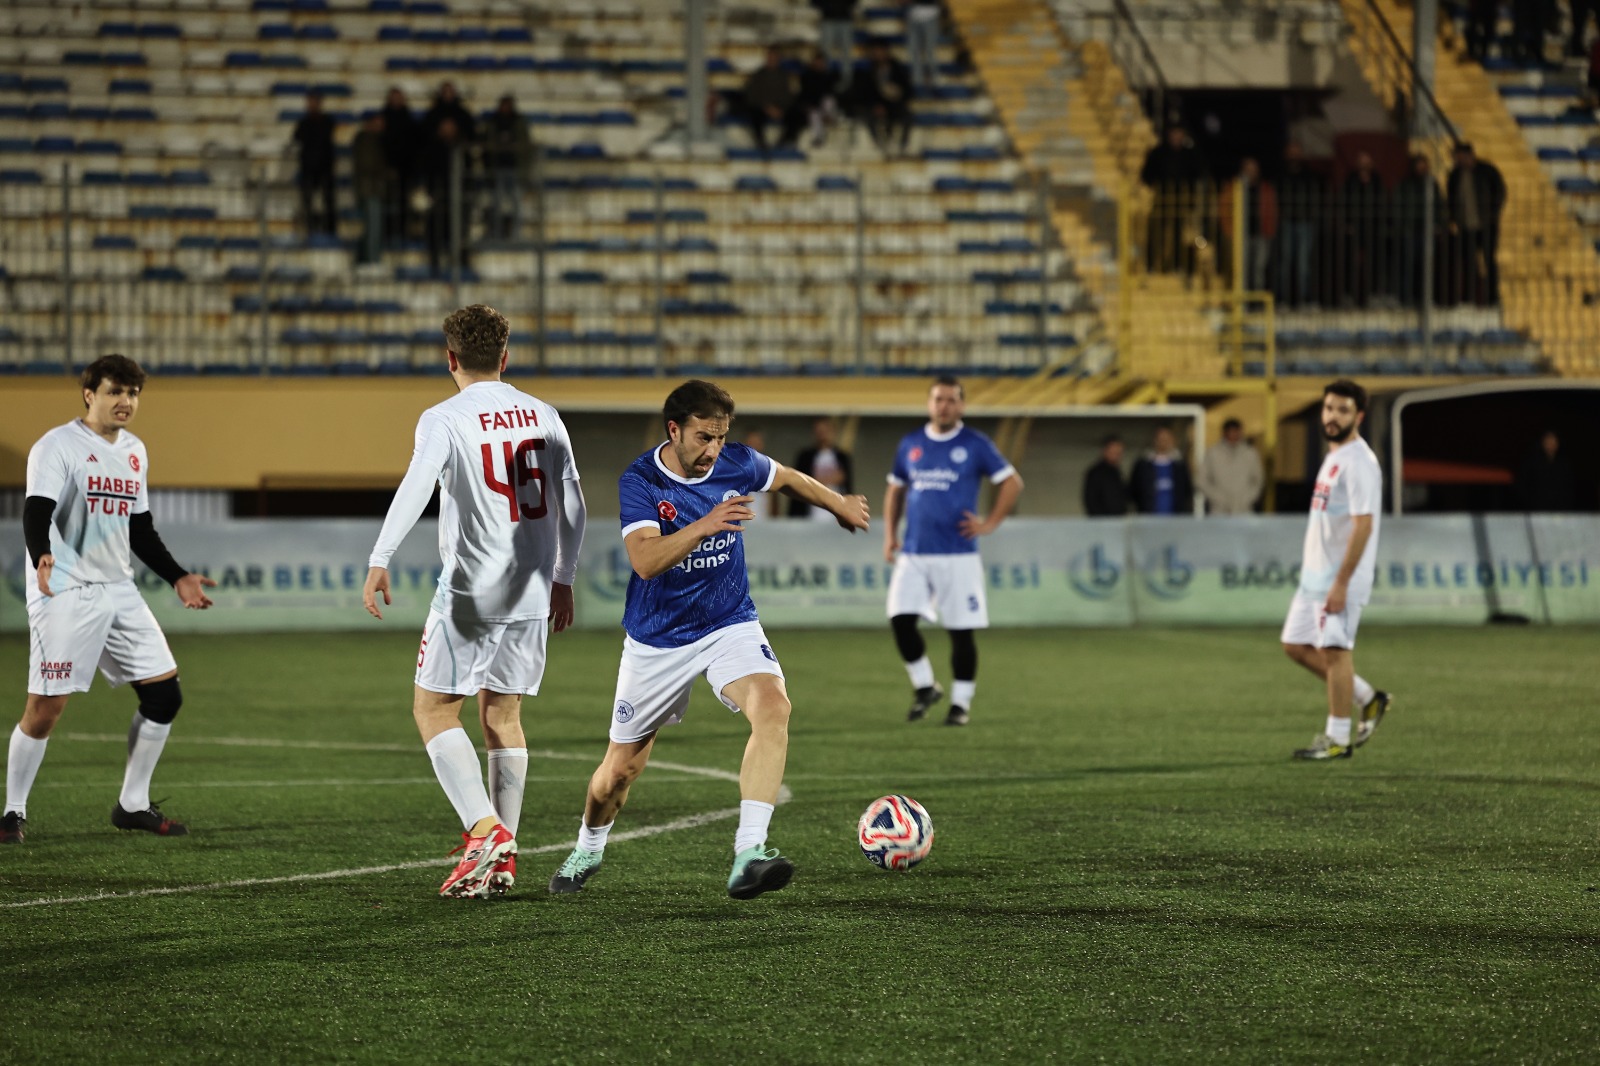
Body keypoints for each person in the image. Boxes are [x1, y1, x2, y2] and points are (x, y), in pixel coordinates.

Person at [546, 380, 870, 901]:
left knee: (773, 706)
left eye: (720, 437)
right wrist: (706, 524)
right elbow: (646, 561)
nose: (713, 449)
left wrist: (838, 504)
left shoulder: (737, 462)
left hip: (728, 621)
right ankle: (588, 844)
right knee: (619, 773)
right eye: (703, 437)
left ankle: (749, 853)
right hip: (659, 639)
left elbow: (786, 477)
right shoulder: (643, 480)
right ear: (673, 429)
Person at [362, 304, 587, 898]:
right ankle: (502, 860)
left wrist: (379, 557)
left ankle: (485, 832)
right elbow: (573, 503)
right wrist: (564, 576)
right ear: (506, 357)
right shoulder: (544, 414)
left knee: (434, 710)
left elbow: (417, 486)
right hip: (534, 587)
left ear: (450, 359)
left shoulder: (444, 417)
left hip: (471, 589)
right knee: (503, 715)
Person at [3, 355, 218, 846]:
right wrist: (40, 555)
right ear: (89, 394)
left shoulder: (136, 451)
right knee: (46, 707)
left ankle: (132, 804)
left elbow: (139, 528)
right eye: (115, 391)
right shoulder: (56, 446)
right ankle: (12, 813)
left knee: (165, 694)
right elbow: (37, 508)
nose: (126, 402)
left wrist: (177, 577)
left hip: (118, 588)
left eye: (134, 393)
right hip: (65, 588)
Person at [884, 376, 1024, 727]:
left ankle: (960, 704)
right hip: (914, 551)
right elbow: (895, 490)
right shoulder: (911, 443)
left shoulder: (975, 444)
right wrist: (889, 535)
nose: (943, 406)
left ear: (961, 405)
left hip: (958, 554)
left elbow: (1011, 482)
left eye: (950, 400)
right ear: (929, 403)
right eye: (937, 399)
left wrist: (989, 523)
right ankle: (925, 686)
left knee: (961, 632)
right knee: (900, 620)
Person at [1282, 380, 1391, 760]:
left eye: (1342, 410)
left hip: (1341, 577)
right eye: (1329, 408)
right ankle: (1368, 697)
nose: (1332, 416)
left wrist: (1341, 582)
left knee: (1335, 650)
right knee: (1295, 645)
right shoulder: (1335, 457)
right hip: (1316, 575)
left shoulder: (1360, 462)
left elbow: (1364, 525)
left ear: (1358, 416)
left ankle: (1338, 739)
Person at [1140, 125, 1207, 275]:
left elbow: (1198, 175)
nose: (1177, 136)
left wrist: (1190, 198)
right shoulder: (1158, 152)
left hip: (1181, 200)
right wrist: (1157, 185)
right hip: (1162, 198)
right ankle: (1151, 265)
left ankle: (1177, 266)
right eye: (1174, 133)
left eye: (1179, 132)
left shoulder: (1190, 154)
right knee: (1156, 231)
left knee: (1178, 233)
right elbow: (1146, 175)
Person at [1447, 142, 1507, 306]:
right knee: (1469, 263)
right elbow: (1452, 198)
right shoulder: (1455, 175)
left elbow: (1500, 192)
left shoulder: (1486, 171)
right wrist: (1454, 219)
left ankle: (1493, 297)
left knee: (1489, 261)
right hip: (1466, 227)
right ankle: (1469, 297)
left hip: (1487, 225)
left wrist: (1492, 215)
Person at [422, 117, 472, 277]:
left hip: (458, 195)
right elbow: (428, 169)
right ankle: (435, 265)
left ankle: (461, 264)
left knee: (460, 231)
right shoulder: (433, 147)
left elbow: (468, 170)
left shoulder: (461, 146)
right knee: (436, 229)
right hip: (439, 194)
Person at [1276, 142, 1324, 307]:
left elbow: (1315, 197)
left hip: (1305, 222)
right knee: (1285, 263)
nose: (1294, 156)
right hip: (1287, 222)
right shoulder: (1281, 175)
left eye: (1297, 152)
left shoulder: (1309, 175)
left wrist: (1311, 215)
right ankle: (1283, 300)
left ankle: (1304, 299)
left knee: (1304, 264)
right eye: (1291, 152)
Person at [1393, 152, 1443, 307]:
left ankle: (1426, 297)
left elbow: (1439, 206)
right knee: (1409, 265)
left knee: (1426, 266)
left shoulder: (1431, 184)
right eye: (1420, 165)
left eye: (1425, 165)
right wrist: (1401, 225)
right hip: (1410, 229)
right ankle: (1407, 298)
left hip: (1427, 230)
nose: (1423, 168)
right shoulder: (1405, 184)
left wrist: (1438, 223)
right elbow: (1397, 206)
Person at [1220, 156, 1277, 292]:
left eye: (1254, 169)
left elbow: (1272, 211)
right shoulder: (1233, 187)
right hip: (1240, 235)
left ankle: (1257, 303)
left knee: (1259, 270)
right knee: (1241, 271)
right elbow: (1224, 210)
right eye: (1248, 169)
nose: (1251, 173)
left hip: (1260, 234)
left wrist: (1269, 231)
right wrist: (1229, 231)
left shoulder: (1265, 189)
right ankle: (1242, 304)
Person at [1341, 150, 1388, 307]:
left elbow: (1382, 203)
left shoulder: (1377, 180)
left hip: (1372, 227)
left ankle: (1373, 294)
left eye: (1366, 161)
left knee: (1374, 262)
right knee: (1351, 262)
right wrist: (1348, 223)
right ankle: (1350, 295)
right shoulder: (1351, 180)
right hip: (1354, 227)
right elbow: (1345, 203)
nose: (1364, 164)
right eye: (1361, 161)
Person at [852, 39, 913, 156]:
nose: (878, 54)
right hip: (876, 106)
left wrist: (897, 94)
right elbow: (865, 92)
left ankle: (903, 145)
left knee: (907, 116)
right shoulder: (869, 70)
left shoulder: (897, 68)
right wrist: (876, 105)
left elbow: (907, 90)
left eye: (880, 51)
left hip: (895, 105)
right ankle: (879, 144)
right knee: (869, 117)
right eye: (875, 52)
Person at [741, 46, 806, 157]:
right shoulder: (758, 75)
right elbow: (752, 96)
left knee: (797, 115)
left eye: (775, 57)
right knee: (754, 114)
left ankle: (783, 143)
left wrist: (781, 109)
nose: (772, 59)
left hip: (781, 109)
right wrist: (767, 107)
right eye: (770, 57)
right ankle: (761, 144)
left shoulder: (784, 76)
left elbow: (789, 96)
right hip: (762, 108)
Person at [483, 94, 532, 240]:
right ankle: (497, 233)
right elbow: (487, 146)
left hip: (515, 167)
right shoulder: (493, 122)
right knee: (497, 203)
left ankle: (516, 234)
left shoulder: (518, 122)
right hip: (498, 167)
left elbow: (525, 145)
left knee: (516, 203)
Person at [788, 416, 853, 520]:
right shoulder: (805, 457)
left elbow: (848, 485)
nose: (823, 435)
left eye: (825, 431)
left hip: (836, 516)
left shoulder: (842, 457)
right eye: (819, 431)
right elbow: (797, 483)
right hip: (810, 515)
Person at [292, 92, 336, 237]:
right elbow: (296, 138)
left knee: (328, 201)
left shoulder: (327, 121)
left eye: (315, 101)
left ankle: (330, 231)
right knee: (308, 201)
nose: (313, 104)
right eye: (311, 102)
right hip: (309, 167)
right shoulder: (304, 122)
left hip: (324, 167)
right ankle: (310, 230)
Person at [1199, 418, 1263, 515]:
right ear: (1224, 433)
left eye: (1236, 431)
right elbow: (1201, 480)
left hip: (1244, 510)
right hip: (1218, 511)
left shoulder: (1250, 453)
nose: (1233, 435)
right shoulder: (1212, 453)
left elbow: (1258, 480)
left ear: (1240, 432)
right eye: (1230, 431)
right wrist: (1218, 498)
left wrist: (1246, 499)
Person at [380, 87, 420, 242]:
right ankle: (387, 232)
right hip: (386, 168)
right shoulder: (383, 119)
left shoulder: (409, 120)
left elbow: (413, 145)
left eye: (399, 97)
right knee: (387, 202)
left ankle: (403, 231)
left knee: (404, 203)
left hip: (405, 168)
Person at [1129, 426, 1194, 515]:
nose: (1163, 442)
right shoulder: (1143, 465)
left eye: (1166, 439)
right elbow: (1134, 490)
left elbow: (1187, 490)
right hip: (1149, 517)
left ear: (1172, 440)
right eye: (1160, 439)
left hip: (1175, 517)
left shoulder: (1180, 466)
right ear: (1155, 440)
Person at [352, 111, 387, 265]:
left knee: (372, 227)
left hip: (372, 189)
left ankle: (365, 258)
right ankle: (371, 261)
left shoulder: (374, 140)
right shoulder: (367, 140)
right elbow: (368, 165)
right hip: (370, 189)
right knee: (373, 228)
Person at [1514, 430, 1578, 511]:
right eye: (1548, 440)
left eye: (1553, 440)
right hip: (1537, 510)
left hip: (1561, 511)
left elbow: (1569, 488)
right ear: (1542, 442)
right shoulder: (1532, 462)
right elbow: (1523, 486)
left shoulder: (1565, 464)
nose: (1550, 443)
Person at [798, 48, 841, 147]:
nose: (819, 64)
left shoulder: (830, 76)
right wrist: (808, 106)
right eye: (817, 62)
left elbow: (833, 94)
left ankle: (830, 117)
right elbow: (805, 94)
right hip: (814, 107)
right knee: (814, 114)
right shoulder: (807, 76)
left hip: (829, 107)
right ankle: (819, 138)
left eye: (821, 62)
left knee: (828, 100)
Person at [813, 0, 859, 89]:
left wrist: (844, 6)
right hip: (828, 19)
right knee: (825, 54)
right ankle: (825, 83)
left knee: (846, 55)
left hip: (845, 19)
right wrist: (826, 7)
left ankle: (847, 83)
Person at [1082, 434, 1128, 516]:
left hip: (1118, 522)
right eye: (1113, 452)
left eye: (1119, 453)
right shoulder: (1096, 473)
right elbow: (1091, 501)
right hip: (1102, 523)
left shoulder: (1118, 473)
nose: (1117, 455)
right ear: (1105, 450)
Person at [904, 0, 941, 93]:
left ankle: (933, 78)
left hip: (930, 15)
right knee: (913, 50)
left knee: (929, 50)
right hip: (913, 15)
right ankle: (917, 79)